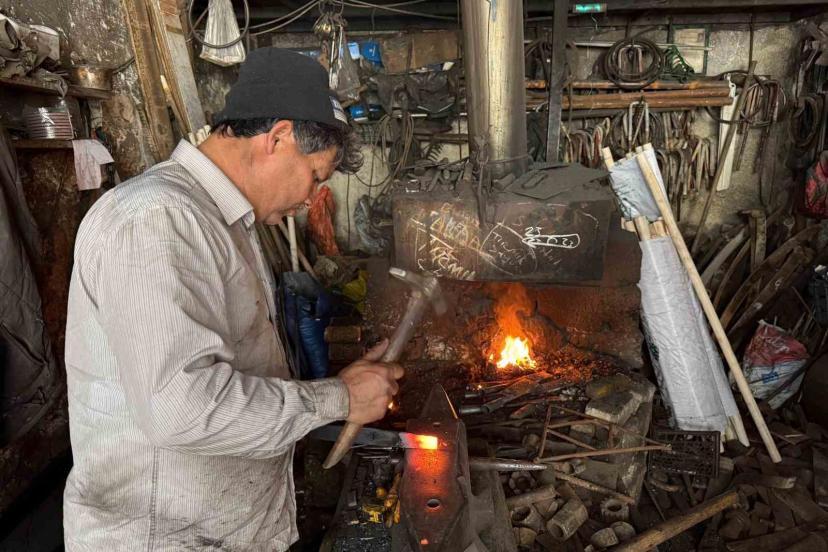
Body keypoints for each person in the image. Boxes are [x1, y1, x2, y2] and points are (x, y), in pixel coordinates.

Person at [63, 47, 402, 551]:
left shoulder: (222, 221)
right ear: (278, 138)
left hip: (218, 530)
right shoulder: (157, 219)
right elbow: (183, 409)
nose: (312, 200)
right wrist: (339, 398)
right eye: (316, 177)